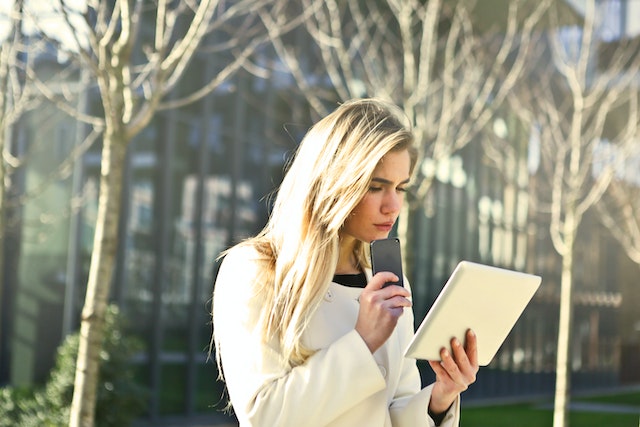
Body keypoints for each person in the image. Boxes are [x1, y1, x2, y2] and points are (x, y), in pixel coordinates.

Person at [211, 98, 478, 426]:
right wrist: (363, 341)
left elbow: (394, 408)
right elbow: (264, 415)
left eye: (401, 188)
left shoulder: (388, 278)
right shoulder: (256, 270)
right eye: (376, 187)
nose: (393, 206)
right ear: (334, 183)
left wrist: (439, 399)